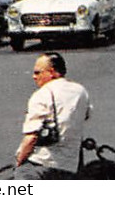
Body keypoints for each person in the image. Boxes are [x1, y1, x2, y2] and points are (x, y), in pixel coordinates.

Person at [13, 52, 92, 180]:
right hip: (71, 164)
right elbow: (86, 115)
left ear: (52, 72)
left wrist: (19, 160)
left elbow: (32, 137)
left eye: (38, 72)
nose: (34, 77)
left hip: (42, 162)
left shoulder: (42, 94)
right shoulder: (80, 91)